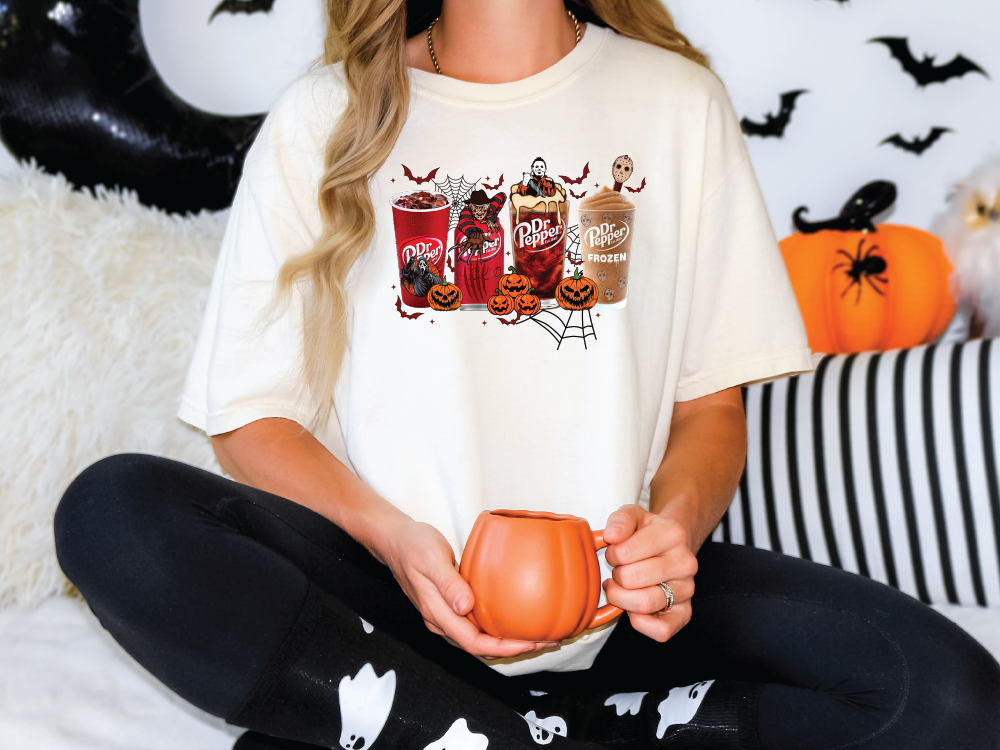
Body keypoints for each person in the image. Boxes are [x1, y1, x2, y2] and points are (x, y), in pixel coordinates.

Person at [54, 2, 1000, 749]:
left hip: (623, 619)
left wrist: (670, 535)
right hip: (394, 601)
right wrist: (390, 540)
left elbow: (710, 410)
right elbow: (249, 420)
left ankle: (435, 732)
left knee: (950, 699)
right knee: (112, 512)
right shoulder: (324, 118)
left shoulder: (678, 104)